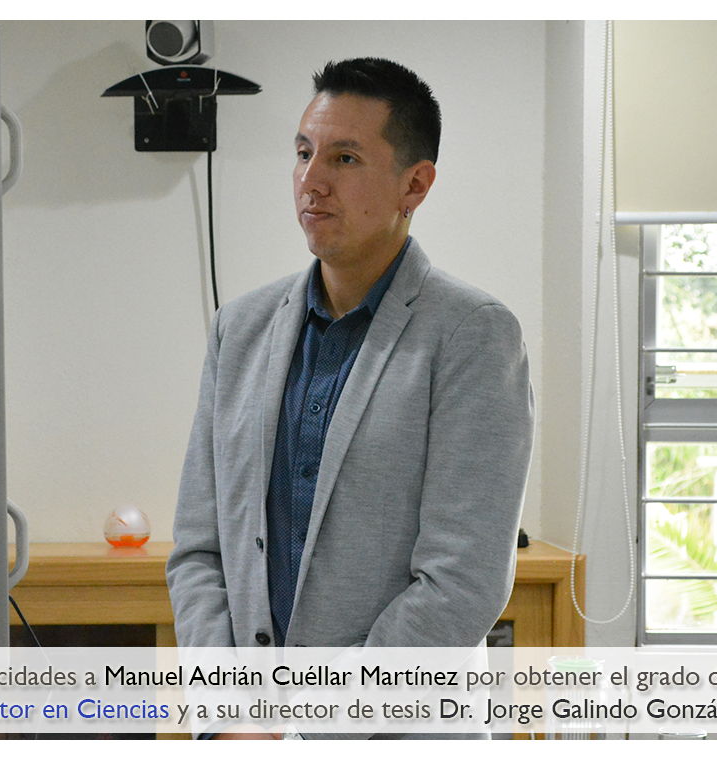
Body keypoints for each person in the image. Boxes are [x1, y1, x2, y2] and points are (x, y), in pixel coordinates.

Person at [166, 57, 534, 739]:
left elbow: (462, 582)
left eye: (344, 158)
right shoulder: (239, 329)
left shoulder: (472, 334)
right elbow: (199, 550)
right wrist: (227, 718)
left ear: (414, 184)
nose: (312, 179)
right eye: (303, 152)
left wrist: (309, 728)